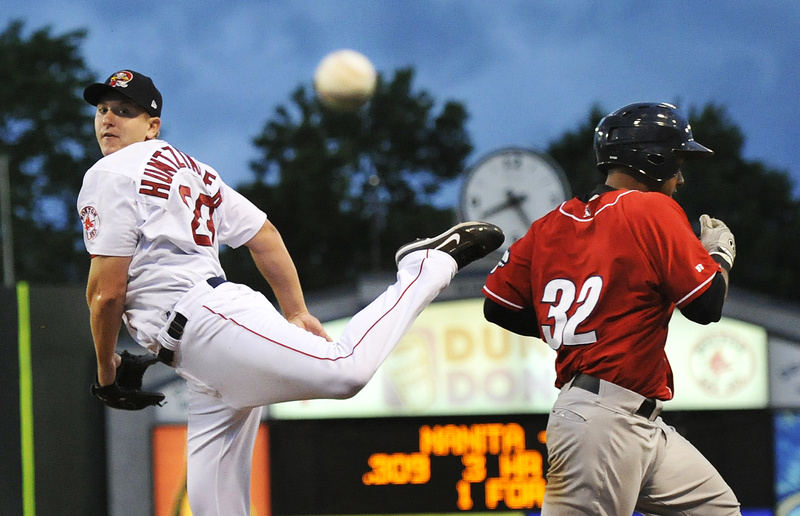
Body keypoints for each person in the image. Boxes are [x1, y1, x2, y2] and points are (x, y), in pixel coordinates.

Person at [77, 69, 504, 516]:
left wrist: (107, 369)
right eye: (102, 109)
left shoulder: (110, 173)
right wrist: (295, 311)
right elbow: (264, 234)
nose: (108, 119)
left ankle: (426, 267)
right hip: (199, 358)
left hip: (209, 322)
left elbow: (106, 294)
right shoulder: (192, 168)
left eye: (124, 111)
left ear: (152, 125)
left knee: (345, 371)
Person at [482, 102, 740, 515]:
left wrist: (570, 332)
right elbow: (706, 306)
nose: (681, 176)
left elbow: (499, 306)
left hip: (636, 419)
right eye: (676, 161)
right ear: (652, 159)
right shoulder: (650, 208)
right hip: (602, 419)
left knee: (716, 508)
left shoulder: (550, 223)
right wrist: (720, 256)